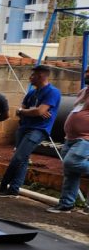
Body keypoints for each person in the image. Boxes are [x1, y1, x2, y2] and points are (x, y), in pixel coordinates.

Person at [0, 64, 62, 198]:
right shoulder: (32, 93)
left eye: (33, 75)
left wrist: (30, 111)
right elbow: (20, 111)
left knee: (18, 157)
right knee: (23, 159)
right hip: (23, 128)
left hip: (38, 130)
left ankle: (3, 186)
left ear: (41, 76)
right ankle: (14, 190)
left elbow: (38, 111)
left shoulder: (52, 92)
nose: (30, 78)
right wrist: (31, 111)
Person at [47, 66, 89, 214]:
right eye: (86, 71)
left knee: (71, 163)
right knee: (70, 172)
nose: (87, 74)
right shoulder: (83, 91)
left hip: (85, 138)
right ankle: (66, 204)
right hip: (70, 137)